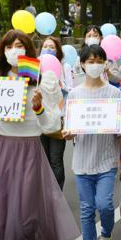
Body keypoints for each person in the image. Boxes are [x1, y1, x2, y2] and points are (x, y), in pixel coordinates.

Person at [0, 30, 79, 240]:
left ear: (28, 49)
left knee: (28, 215)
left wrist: (39, 108)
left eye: (19, 46)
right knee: (0, 214)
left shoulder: (42, 79)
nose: (14, 51)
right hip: (3, 150)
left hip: (31, 149)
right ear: (2, 51)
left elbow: (50, 125)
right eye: (9, 47)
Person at [62, 45, 121, 240]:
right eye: (90, 62)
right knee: (86, 209)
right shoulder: (74, 95)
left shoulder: (114, 94)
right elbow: (69, 129)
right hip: (82, 162)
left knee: (105, 204)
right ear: (82, 64)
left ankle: (107, 234)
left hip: (107, 161)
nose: (95, 65)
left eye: (99, 61)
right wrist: (67, 134)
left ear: (105, 64)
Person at [38, 37, 70, 190]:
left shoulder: (65, 67)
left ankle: (57, 193)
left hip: (59, 119)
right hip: (40, 118)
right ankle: (45, 192)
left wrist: (59, 85)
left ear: (57, 50)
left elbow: (70, 91)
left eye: (51, 46)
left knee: (56, 159)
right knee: (42, 159)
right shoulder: (36, 66)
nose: (48, 49)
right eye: (45, 46)